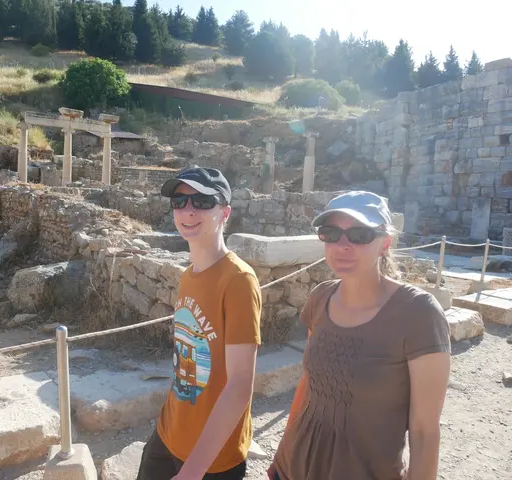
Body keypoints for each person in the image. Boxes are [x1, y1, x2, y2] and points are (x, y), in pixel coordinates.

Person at [269, 191, 451, 480]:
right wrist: (280, 458)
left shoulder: (418, 313)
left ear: (385, 243)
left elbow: (424, 431)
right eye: (331, 233)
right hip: (292, 467)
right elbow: (309, 387)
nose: (343, 245)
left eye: (360, 235)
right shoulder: (320, 297)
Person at [136, 167, 262, 480]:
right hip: (169, 432)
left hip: (211, 459)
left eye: (203, 202)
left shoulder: (238, 280)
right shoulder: (188, 275)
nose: (188, 211)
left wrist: (192, 472)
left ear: (225, 212)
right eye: (180, 201)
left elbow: (240, 384)